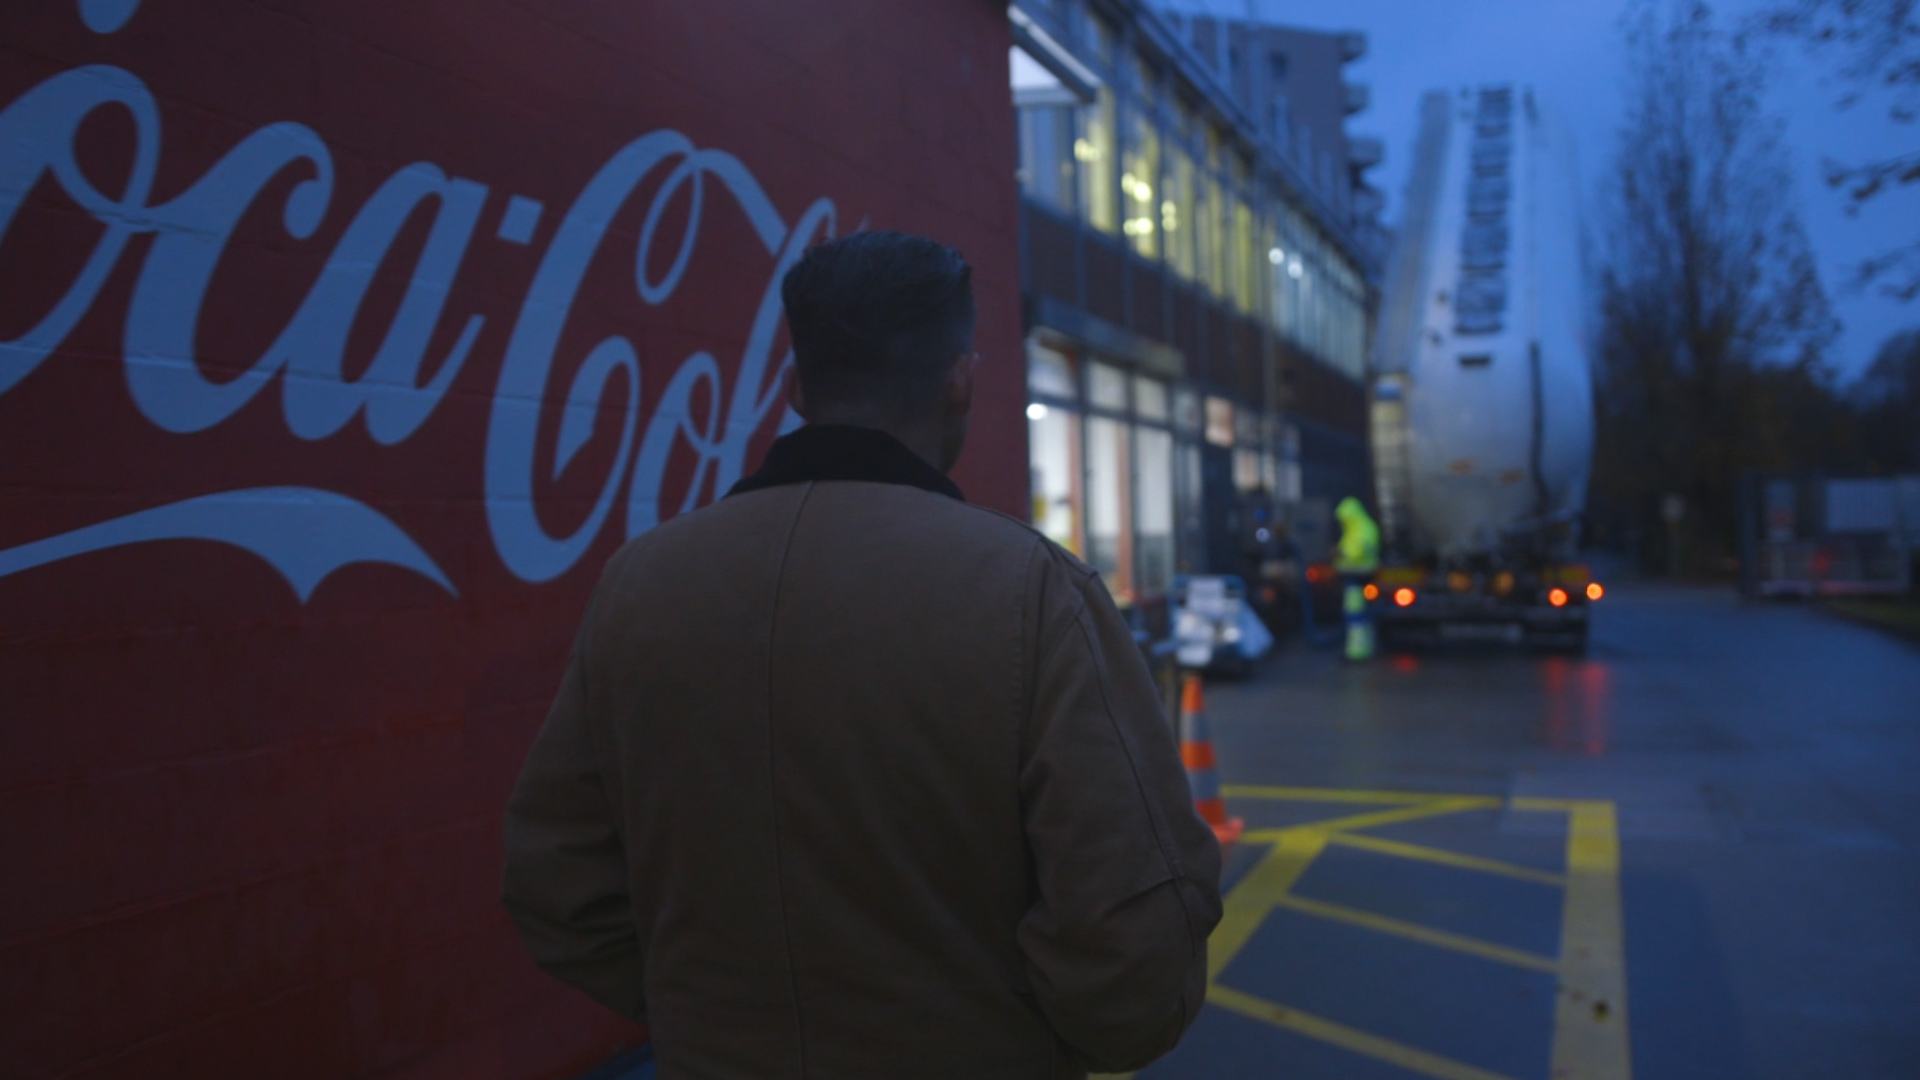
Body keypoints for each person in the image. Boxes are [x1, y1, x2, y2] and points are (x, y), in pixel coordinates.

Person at [501, 231, 1222, 1078]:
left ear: (797, 387)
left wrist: (705, 1013)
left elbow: (556, 888)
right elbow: (1131, 947)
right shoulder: (1031, 591)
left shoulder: (640, 584)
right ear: (961, 380)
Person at [1333, 496, 1380, 661]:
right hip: (1354, 576)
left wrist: (1340, 554)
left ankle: (1357, 651)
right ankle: (1361, 649)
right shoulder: (1355, 528)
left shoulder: (1362, 528)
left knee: (1356, 617)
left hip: (1358, 577)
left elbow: (1357, 551)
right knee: (1360, 617)